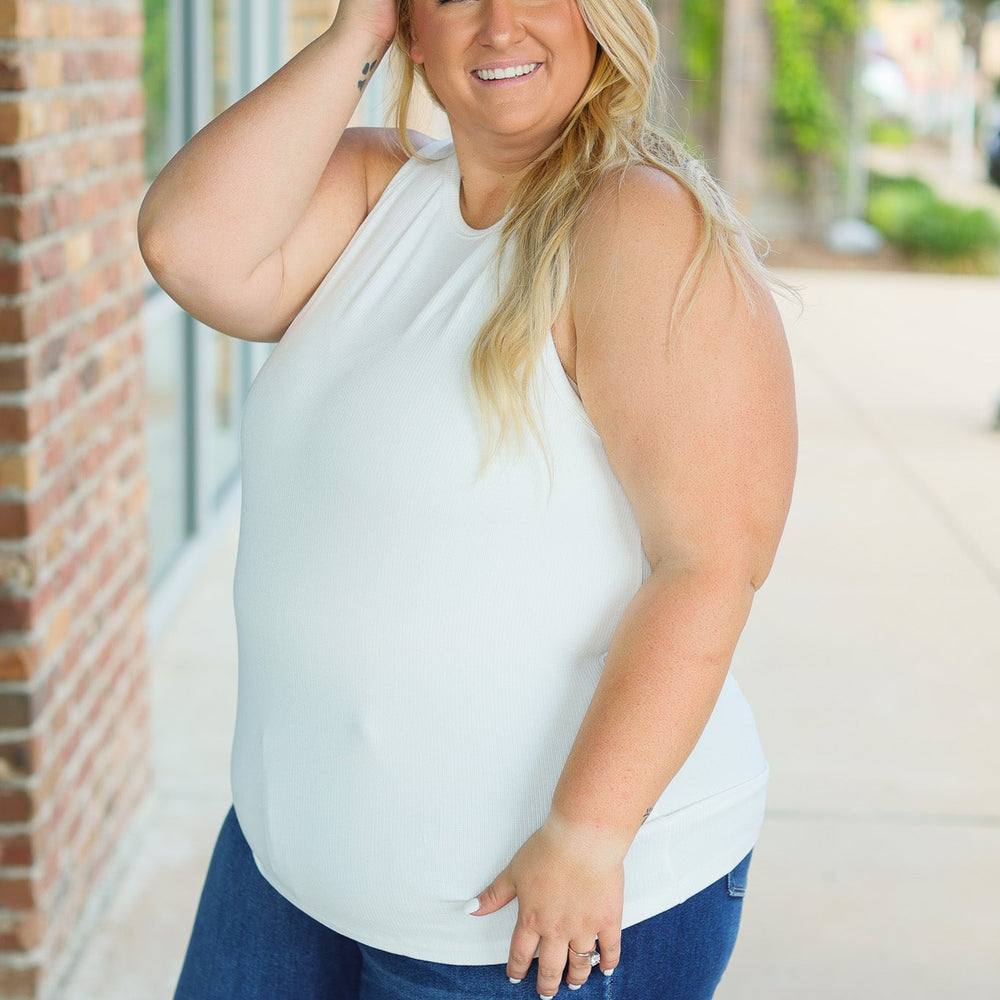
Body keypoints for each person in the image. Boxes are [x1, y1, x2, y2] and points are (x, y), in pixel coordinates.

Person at [137, 0, 797, 994]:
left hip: (521, 913)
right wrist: (350, 34)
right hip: (288, 868)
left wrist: (587, 833)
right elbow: (189, 249)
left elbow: (711, 560)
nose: (497, 25)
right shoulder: (379, 190)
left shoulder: (635, 222)